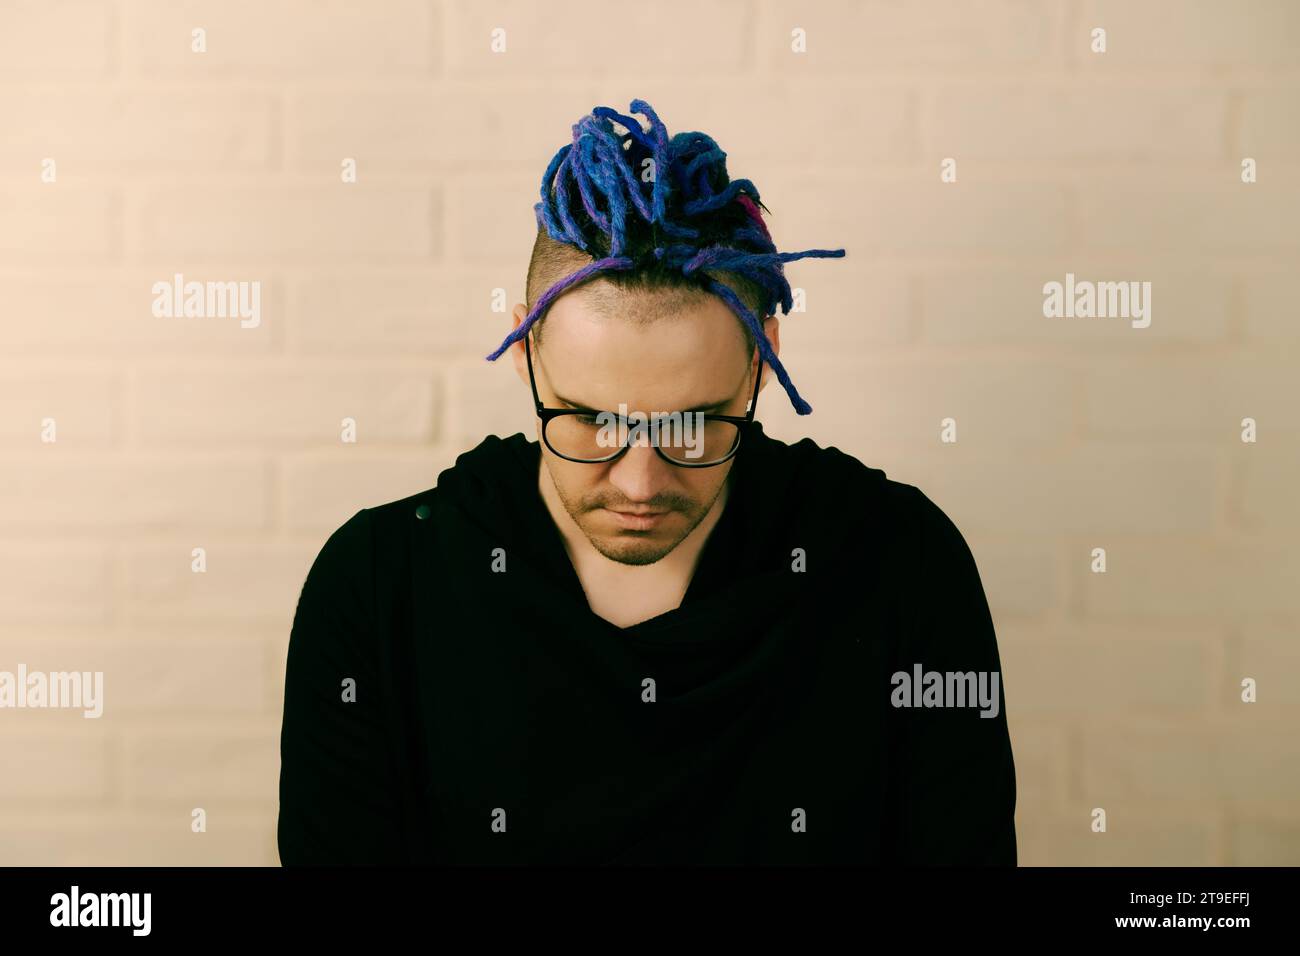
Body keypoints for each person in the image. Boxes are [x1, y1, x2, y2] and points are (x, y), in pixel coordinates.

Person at [277, 98, 1017, 865]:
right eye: (592, 420)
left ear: (763, 357)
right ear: (526, 348)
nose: (638, 482)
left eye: (690, 425)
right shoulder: (378, 586)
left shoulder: (900, 564)